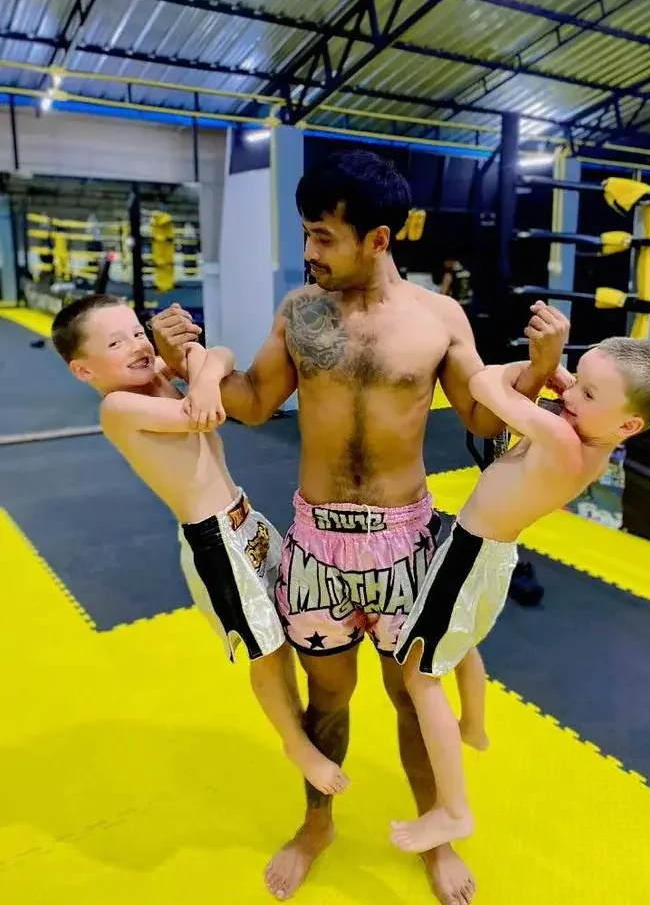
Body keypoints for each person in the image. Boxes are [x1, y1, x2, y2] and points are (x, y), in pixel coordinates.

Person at [150, 149, 568, 905]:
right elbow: (252, 402)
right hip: (318, 547)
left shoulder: (438, 319)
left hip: (408, 543)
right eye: (306, 233)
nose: (309, 252)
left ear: (378, 239)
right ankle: (317, 826)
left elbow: (481, 419)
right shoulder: (301, 312)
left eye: (323, 237)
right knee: (328, 700)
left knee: (414, 699)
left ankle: (435, 834)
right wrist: (186, 361)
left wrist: (539, 367)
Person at [391, 334, 650, 855]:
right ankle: (474, 727)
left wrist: (538, 369)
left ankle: (454, 810)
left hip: (469, 557)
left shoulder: (560, 438)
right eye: (577, 381)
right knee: (460, 643)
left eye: (587, 393)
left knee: (419, 674)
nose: (568, 395)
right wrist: (566, 383)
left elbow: (484, 384)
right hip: (493, 557)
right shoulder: (592, 446)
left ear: (627, 425)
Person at [49, 293, 348, 798]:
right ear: (84, 370)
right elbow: (203, 415)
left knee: (293, 626)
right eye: (116, 343)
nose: (138, 345)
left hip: (248, 518)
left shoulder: (157, 375)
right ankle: (295, 744)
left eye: (138, 332)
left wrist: (204, 373)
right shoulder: (117, 407)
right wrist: (201, 374)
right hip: (216, 542)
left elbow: (222, 355)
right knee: (266, 652)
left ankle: (303, 721)